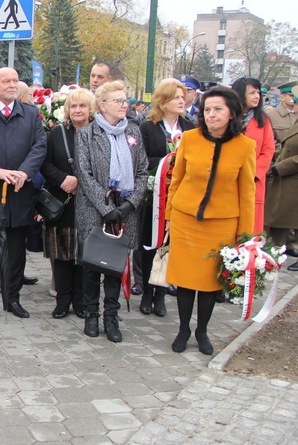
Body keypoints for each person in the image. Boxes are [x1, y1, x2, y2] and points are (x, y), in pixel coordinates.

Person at [166, 86, 255, 355]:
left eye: (218, 109)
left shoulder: (245, 146)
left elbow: (247, 193)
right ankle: (182, 328)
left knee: (208, 282)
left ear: (231, 114)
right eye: (207, 110)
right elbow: (176, 181)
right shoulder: (190, 139)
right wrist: (169, 217)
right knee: (185, 278)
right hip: (185, 219)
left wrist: (245, 236)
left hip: (221, 223)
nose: (211, 114)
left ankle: (201, 331)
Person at [0, 67, 47, 319]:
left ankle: (13, 297)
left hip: (20, 191)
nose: (12, 85)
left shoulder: (31, 114)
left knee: (15, 248)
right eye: (6, 81)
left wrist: (24, 172)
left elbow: (39, 146)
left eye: (15, 80)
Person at [75, 81, 147, 342]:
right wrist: (106, 209)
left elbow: (142, 171)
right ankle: (91, 314)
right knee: (93, 264)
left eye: (125, 100)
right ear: (102, 105)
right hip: (94, 209)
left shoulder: (134, 133)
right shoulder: (87, 134)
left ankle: (111, 316)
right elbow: (84, 173)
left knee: (116, 265)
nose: (124, 104)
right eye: (117, 100)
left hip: (125, 210)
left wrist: (129, 205)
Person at [138, 78, 195, 317]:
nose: (182, 101)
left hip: (179, 196)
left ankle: (161, 292)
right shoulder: (148, 126)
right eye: (176, 97)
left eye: (183, 97)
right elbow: (141, 159)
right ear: (163, 101)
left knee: (169, 244)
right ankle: (146, 292)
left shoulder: (190, 127)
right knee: (150, 243)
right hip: (154, 194)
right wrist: (167, 163)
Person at [40, 87, 94, 319]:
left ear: (91, 110)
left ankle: (81, 301)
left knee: (84, 256)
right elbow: (45, 164)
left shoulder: (98, 134)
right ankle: (62, 301)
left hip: (90, 204)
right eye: (73, 106)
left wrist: (80, 181)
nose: (78, 110)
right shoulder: (57, 133)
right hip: (62, 202)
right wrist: (63, 179)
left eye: (82, 106)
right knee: (62, 255)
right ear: (67, 110)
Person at [231, 77, 275, 234]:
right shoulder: (228, 117)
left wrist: (254, 173)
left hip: (253, 180)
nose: (257, 96)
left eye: (258, 92)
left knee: (251, 226)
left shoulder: (263, 120)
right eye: (252, 93)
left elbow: (268, 149)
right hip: (229, 178)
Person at [265, 119, 298, 271]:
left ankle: (277, 251)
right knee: (278, 217)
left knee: (285, 216)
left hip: (291, 175)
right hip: (287, 178)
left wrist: (280, 167)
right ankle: (278, 250)